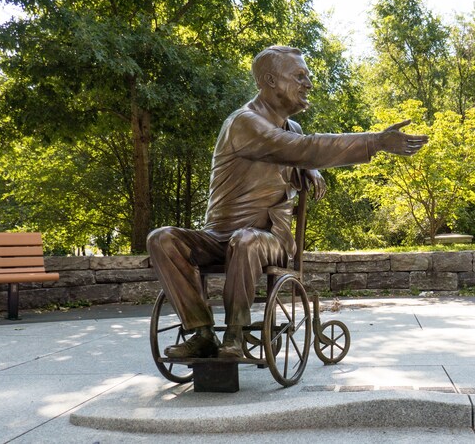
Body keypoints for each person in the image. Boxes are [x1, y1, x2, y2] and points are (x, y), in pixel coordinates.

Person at [148, 45, 427, 359]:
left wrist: (312, 168)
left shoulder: (290, 128)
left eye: (306, 76)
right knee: (162, 239)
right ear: (270, 81)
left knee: (246, 240)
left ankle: (235, 335)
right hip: (218, 237)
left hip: (270, 240)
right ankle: (201, 332)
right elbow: (300, 149)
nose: (308, 84)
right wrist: (374, 141)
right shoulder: (245, 123)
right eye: (299, 76)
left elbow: (298, 149)